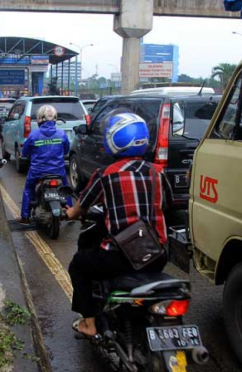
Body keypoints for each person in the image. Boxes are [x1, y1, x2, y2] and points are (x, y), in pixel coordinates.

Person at [65, 111, 170, 338]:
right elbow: (166, 204)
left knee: (78, 266)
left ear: (115, 140)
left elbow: (79, 209)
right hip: (157, 252)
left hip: (122, 256)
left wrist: (70, 213)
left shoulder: (106, 175)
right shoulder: (159, 172)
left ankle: (89, 324)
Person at [19, 105, 71, 224]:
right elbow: (66, 150)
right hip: (58, 171)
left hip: (37, 172)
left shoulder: (33, 135)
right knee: (66, 188)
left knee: (28, 189)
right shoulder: (61, 134)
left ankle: (25, 217)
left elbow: (25, 153)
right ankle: (70, 212)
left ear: (39, 119)